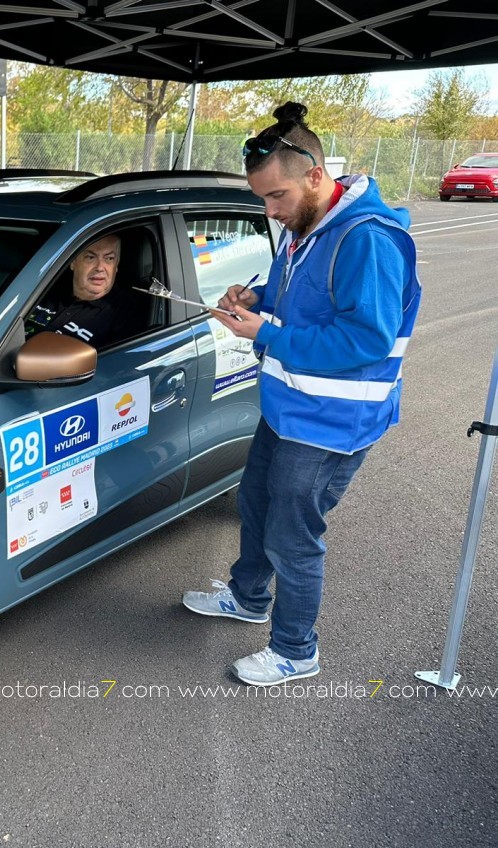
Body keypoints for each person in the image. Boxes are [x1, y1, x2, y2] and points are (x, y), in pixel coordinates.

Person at [182, 102, 422, 686]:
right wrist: (261, 295)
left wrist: (266, 333)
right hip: (289, 409)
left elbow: (365, 338)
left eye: (277, 197)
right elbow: (305, 291)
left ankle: (295, 650)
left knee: (294, 536)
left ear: (316, 175)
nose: (270, 211)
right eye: (262, 199)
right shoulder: (310, 224)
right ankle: (248, 597)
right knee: (256, 504)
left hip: (331, 423)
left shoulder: (367, 240)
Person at [24, 232, 123, 348]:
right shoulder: (45, 288)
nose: (100, 268)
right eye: (90, 257)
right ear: (73, 262)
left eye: (109, 258)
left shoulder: (124, 314)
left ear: (116, 266)